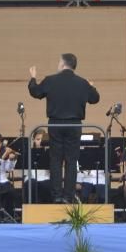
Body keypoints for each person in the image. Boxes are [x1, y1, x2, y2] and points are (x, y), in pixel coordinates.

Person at [27, 53, 100, 203]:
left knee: (56, 160)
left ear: (62, 64)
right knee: (71, 161)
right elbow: (95, 99)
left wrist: (33, 78)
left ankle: (56, 196)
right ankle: (68, 196)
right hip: (74, 124)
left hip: (55, 124)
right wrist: (92, 87)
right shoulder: (82, 83)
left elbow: (35, 92)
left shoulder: (51, 80)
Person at [24, 129, 52, 203]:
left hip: (45, 178)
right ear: (33, 140)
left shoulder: (49, 152)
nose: (39, 141)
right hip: (31, 177)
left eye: (42, 140)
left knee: (47, 186)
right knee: (31, 184)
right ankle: (30, 207)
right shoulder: (28, 152)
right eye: (38, 139)